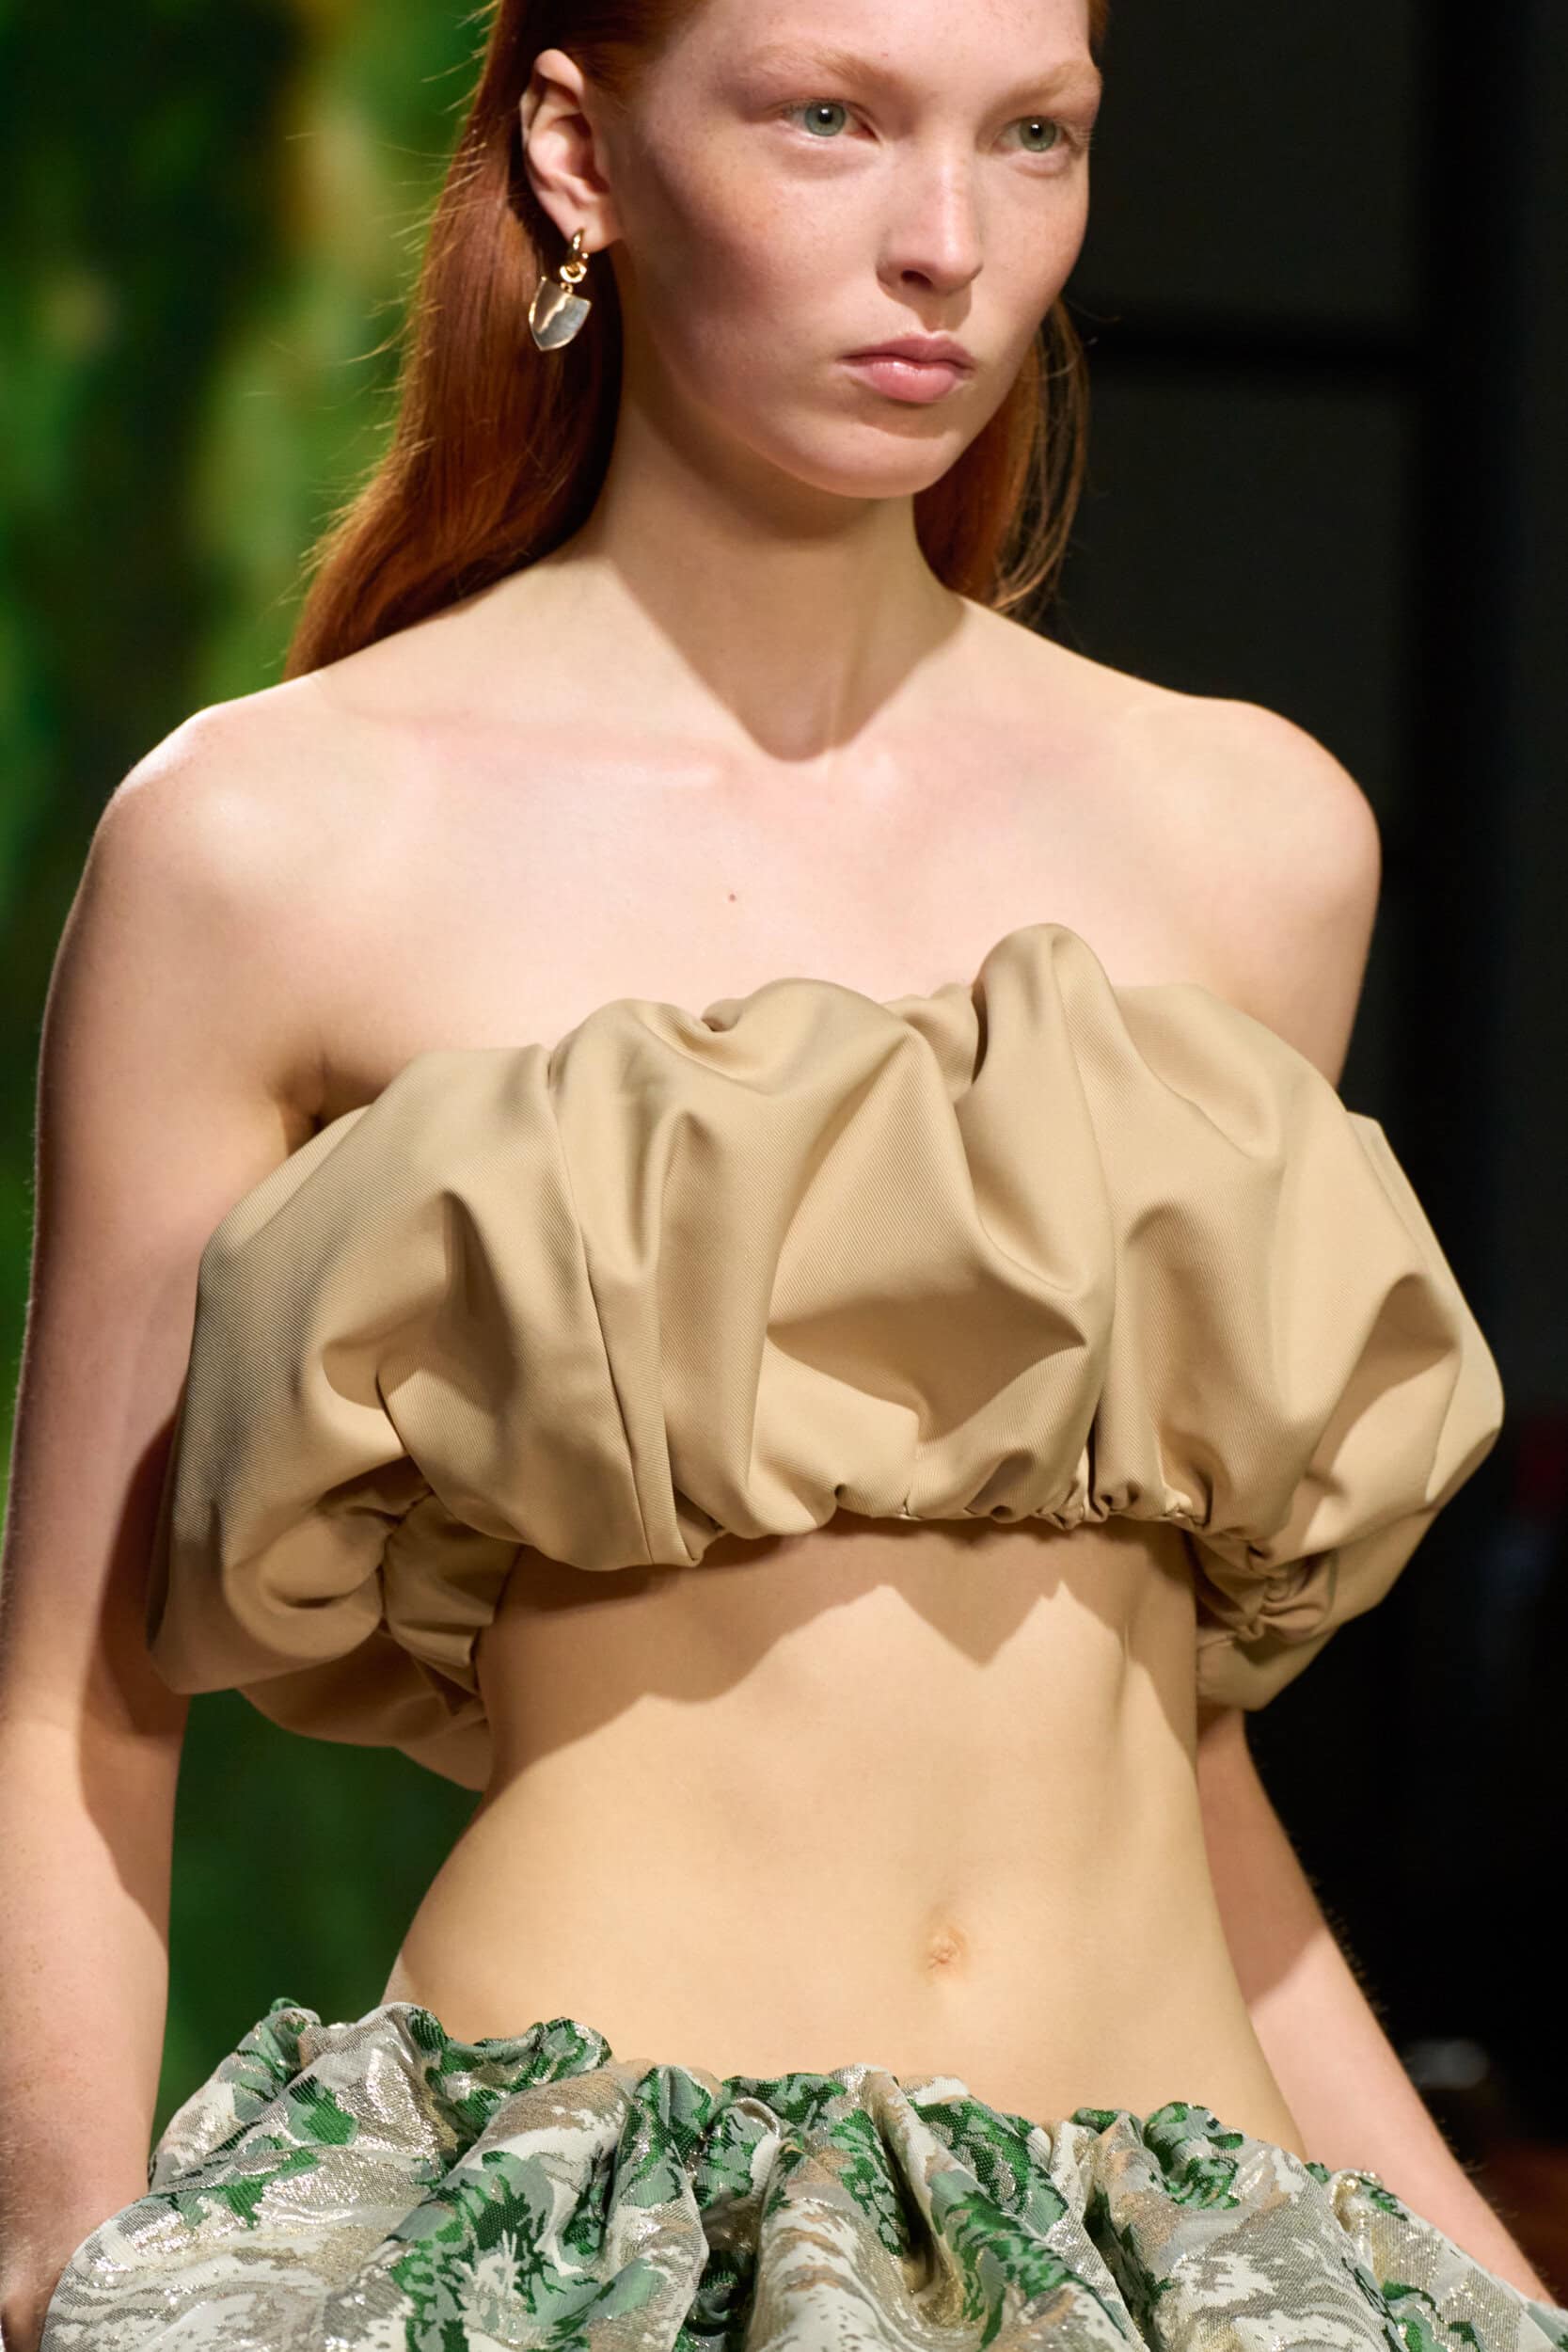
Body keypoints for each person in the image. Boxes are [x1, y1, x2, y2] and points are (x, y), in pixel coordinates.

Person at [4, 0, 1564, 2344]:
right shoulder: (276, 840)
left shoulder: (1248, 844)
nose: (947, 241)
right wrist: (55, 2267)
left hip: (1157, 2247)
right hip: (589, 2246)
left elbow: (1156, 1735)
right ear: (577, 152)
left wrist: (1469, 2269)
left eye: (1032, 136)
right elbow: (73, 1707)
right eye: (831, 117)